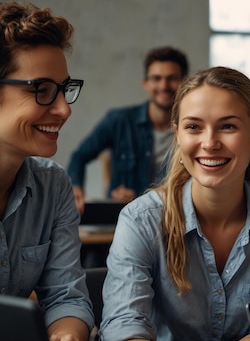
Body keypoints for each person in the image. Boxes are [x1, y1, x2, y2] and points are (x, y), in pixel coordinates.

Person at [99, 67, 250, 341]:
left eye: (227, 126)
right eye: (194, 127)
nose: (210, 143)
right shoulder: (140, 220)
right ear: (177, 135)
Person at [0, 1, 96, 341]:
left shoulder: (53, 184)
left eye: (65, 90)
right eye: (43, 90)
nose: (64, 110)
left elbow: (66, 296)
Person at [67, 45, 189, 214]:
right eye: (156, 78)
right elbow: (79, 157)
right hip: (125, 218)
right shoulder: (119, 121)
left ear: (185, 83)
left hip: (177, 218)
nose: (164, 85)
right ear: (145, 83)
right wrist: (76, 188)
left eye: (171, 78)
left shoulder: (195, 129)